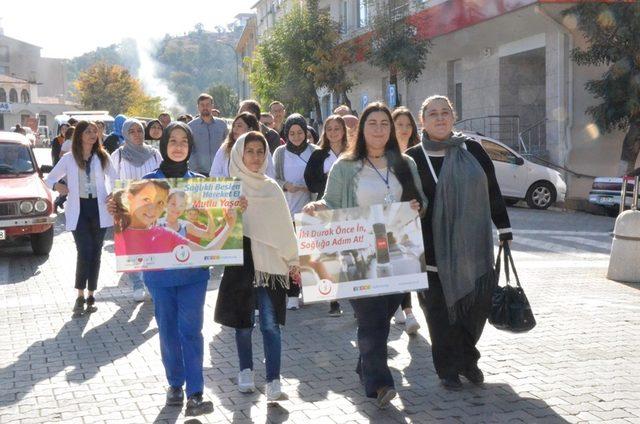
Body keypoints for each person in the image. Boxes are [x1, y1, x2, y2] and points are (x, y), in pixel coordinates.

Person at [303, 102, 425, 409]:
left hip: (397, 255)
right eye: (373, 124)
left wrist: (417, 207)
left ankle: (365, 364)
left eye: (385, 124)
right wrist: (317, 208)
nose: (380, 130)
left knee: (384, 315)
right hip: (358, 255)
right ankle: (380, 383)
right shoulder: (345, 166)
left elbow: (420, 200)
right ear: (361, 129)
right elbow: (330, 203)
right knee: (371, 319)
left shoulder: (405, 163)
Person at [109, 122, 236, 417]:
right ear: (164, 143)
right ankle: (175, 385)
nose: (178, 146)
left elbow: (212, 238)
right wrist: (117, 210)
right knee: (167, 331)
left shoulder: (202, 185)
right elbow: (132, 223)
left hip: (193, 275)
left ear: (190, 147)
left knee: (191, 331)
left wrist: (233, 212)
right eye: (173, 141)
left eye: (184, 142)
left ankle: (195, 393)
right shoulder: (147, 183)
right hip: (159, 275)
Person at [405, 95, 512, 391]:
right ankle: (448, 368)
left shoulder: (472, 149)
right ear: (422, 120)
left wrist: (503, 227)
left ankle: (468, 358)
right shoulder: (412, 157)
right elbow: (401, 199)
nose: (440, 118)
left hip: (473, 247)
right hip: (430, 250)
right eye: (433, 114)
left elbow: (491, 188)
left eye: (445, 113)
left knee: (474, 307)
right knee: (439, 312)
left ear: (454, 117)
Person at [214, 131, 299, 401]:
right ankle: (245, 371)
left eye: (260, 151)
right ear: (239, 153)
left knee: (271, 325)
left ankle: (274, 379)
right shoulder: (229, 188)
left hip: (271, 264)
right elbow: (218, 234)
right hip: (241, 263)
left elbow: (285, 229)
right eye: (249, 151)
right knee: (243, 323)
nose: (255, 156)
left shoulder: (272, 187)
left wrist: (293, 261)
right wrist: (232, 213)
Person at [45, 121, 118, 317]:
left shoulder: (103, 156)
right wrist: (57, 187)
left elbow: (115, 179)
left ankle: (91, 294)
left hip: (99, 208)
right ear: (79, 135)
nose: (93, 134)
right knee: (84, 250)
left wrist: (113, 193)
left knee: (96, 252)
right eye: (88, 131)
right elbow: (48, 179)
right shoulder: (69, 158)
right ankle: (80, 295)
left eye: (95, 131)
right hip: (79, 210)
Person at [111, 118, 163, 302]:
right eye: (131, 131)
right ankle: (137, 283)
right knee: (131, 248)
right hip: (127, 208)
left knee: (151, 246)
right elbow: (111, 181)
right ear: (125, 134)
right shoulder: (117, 156)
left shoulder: (155, 154)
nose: (136, 134)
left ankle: (150, 283)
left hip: (151, 210)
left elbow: (163, 179)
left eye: (139, 130)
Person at [303, 114, 349, 317]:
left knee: (352, 255)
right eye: (329, 129)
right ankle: (333, 300)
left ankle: (358, 302)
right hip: (326, 208)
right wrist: (329, 181)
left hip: (350, 208)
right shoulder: (319, 155)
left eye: (337, 128)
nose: (333, 132)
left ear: (344, 130)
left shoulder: (352, 153)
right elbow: (309, 180)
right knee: (328, 255)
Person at [273, 114, 318, 310]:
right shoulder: (280, 153)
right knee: (292, 253)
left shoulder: (315, 151)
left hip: (310, 209)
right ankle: (291, 293)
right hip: (287, 209)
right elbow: (272, 178)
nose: (296, 136)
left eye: (300, 132)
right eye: (292, 133)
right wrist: (285, 185)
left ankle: (308, 289)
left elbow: (322, 178)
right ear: (286, 134)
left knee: (308, 252)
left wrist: (311, 187)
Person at [391, 107, 422, 335]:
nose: (403, 129)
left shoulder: (417, 155)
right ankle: (402, 309)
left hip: (410, 221)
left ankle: (408, 311)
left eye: (408, 125)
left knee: (405, 265)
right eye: (399, 125)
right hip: (385, 221)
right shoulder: (384, 153)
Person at [209, 112, 275, 178]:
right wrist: (235, 184)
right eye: (234, 126)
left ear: (250, 129)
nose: (235, 129)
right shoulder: (225, 148)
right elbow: (214, 173)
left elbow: (270, 175)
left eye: (239, 126)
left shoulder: (262, 149)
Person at [188, 93, 229, 176]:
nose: (205, 107)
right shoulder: (190, 126)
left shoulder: (222, 124)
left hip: (220, 171)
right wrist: (195, 169)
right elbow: (189, 150)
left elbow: (228, 145)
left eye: (208, 104)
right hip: (198, 173)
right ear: (198, 107)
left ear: (212, 106)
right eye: (202, 105)